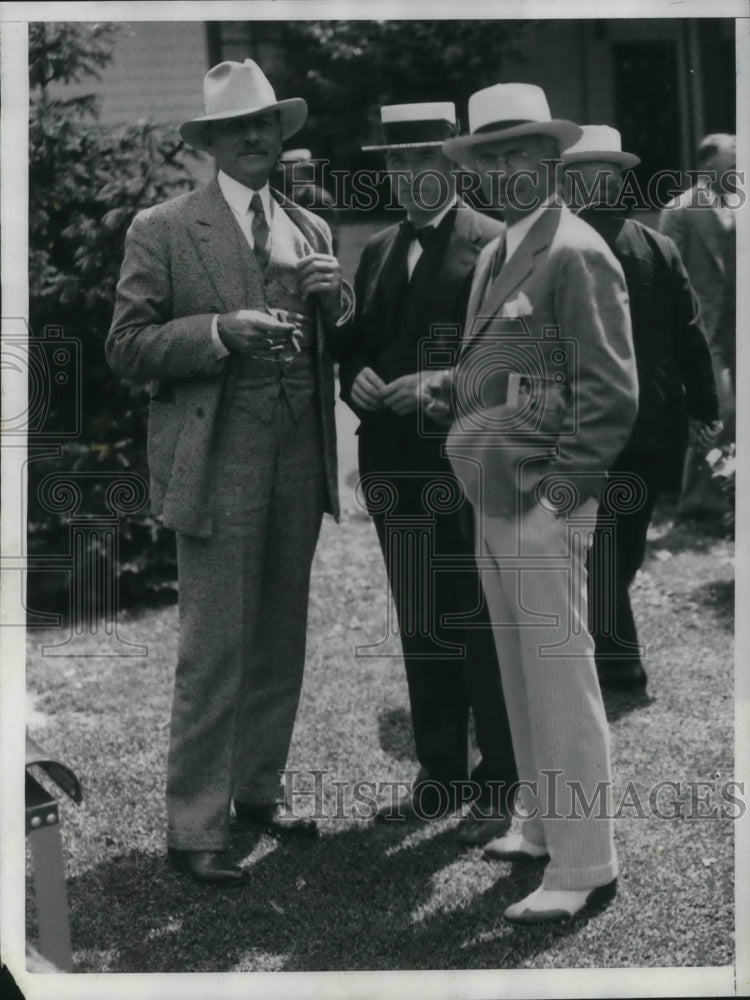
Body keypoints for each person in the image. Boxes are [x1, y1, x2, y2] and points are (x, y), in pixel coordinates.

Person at [107, 59, 352, 885]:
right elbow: (126, 348)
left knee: (281, 634)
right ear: (210, 142)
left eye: (267, 124)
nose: (256, 138)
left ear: (282, 135)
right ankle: (194, 827)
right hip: (218, 456)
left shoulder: (311, 230)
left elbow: (336, 340)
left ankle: (257, 792)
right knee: (214, 647)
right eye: (236, 128)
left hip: (298, 455)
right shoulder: (165, 228)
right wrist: (216, 331)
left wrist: (335, 300)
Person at [440, 83, 638, 924]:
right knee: (521, 672)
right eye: (490, 155)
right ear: (478, 170)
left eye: (522, 151)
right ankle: (539, 820)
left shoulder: (578, 249)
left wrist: (562, 497)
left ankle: (585, 861)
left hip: (542, 499)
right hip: (497, 490)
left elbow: (611, 395)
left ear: (553, 159)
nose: (506, 168)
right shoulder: (497, 252)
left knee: (560, 677)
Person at [338, 103, 518, 846]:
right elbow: (355, 343)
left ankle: (500, 779)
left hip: (466, 464)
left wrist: (435, 381)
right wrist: (355, 376)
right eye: (395, 164)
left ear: (455, 164)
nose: (408, 176)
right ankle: (438, 772)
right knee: (421, 621)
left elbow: (513, 358)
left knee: (477, 619)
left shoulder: (495, 245)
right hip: (391, 468)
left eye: (422, 161)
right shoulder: (378, 248)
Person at [563, 126, 721, 690]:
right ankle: (616, 654)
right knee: (621, 540)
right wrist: (704, 410)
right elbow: (690, 336)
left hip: (584, 419)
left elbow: (687, 334)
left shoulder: (560, 244)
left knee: (602, 543)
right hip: (650, 422)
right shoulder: (656, 244)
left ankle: (618, 657)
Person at [659, 133, 736, 517]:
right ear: (709, 168)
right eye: (733, 160)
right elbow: (666, 277)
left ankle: (728, 502)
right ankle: (697, 504)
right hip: (704, 329)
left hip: (738, 328)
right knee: (720, 410)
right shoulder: (681, 210)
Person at [277, 148, 338, 252]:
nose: (288, 174)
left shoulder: (319, 199)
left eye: (292, 170)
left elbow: (329, 237)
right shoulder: (290, 198)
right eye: (286, 171)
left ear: (305, 171)